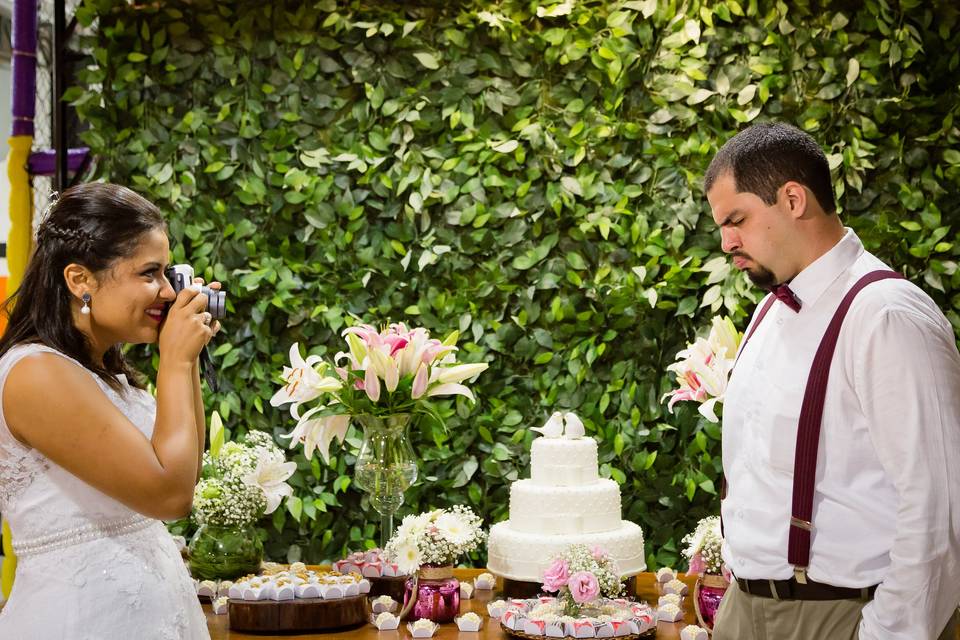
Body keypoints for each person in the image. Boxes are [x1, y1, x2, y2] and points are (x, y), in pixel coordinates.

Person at [706, 122, 960, 640]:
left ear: (793, 199)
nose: (727, 241)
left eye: (737, 219)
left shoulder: (887, 315)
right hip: (743, 613)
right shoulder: (764, 315)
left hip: (837, 617)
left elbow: (939, 509)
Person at [0, 183, 216, 638]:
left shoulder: (105, 374)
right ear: (81, 280)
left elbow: (185, 473)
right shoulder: (35, 373)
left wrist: (187, 356)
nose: (165, 291)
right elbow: (169, 497)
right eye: (149, 273)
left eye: (167, 273)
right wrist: (174, 360)